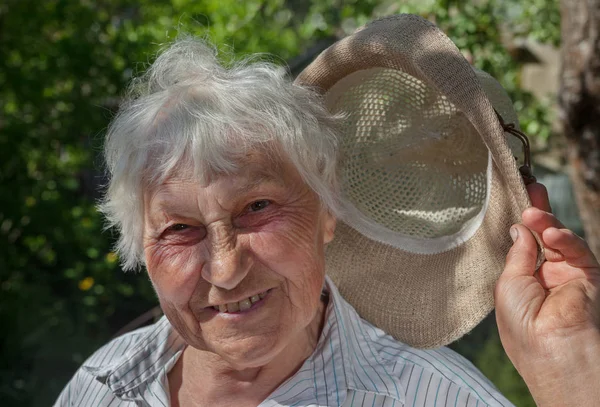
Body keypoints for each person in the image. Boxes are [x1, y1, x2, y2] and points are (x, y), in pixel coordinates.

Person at [55, 16, 600, 407]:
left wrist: (571, 376)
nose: (225, 269)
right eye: (179, 229)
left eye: (257, 207)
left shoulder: (431, 397)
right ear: (140, 250)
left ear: (327, 214)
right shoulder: (104, 382)